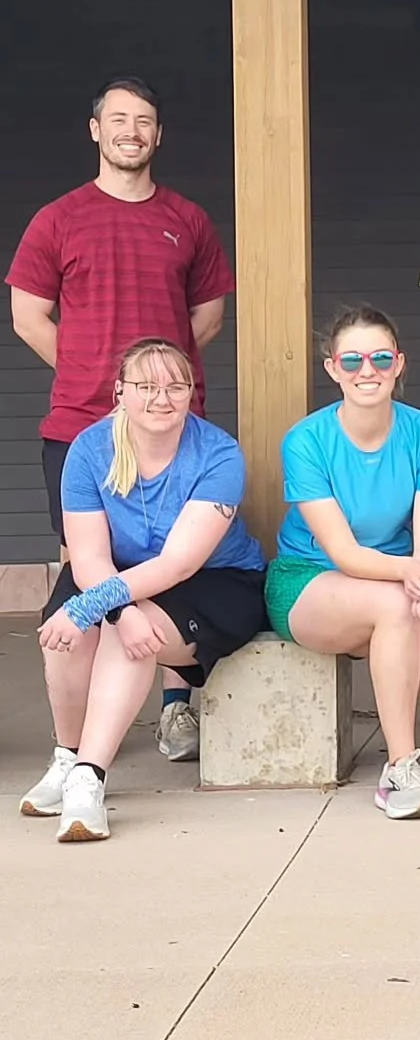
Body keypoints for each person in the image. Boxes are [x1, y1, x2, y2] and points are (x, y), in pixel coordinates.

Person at [7, 76, 235, 765]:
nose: (130, 131)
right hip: (79, 425)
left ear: (157, 135)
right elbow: (28, 316)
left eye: (143, 121)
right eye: (118, 119)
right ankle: (78, 736)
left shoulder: (187, 219)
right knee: (83, 562)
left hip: (172, 428)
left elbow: (207, 317)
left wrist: (153, 390)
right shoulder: (58, 219)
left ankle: (174, 707)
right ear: (95, 130)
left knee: (171, 560)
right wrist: (98, 381)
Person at [19, 339, 266, 842]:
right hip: (116, 571)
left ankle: (89, 777)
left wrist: (102, 609)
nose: (161, 398)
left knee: (130, 634)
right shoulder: (89, 449)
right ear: (120, 392)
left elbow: (179, 563)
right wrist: (117, 608)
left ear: (191, 393)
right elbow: (88, 557)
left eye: (175, 386)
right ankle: (67, 756)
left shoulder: (218, 453)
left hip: (214, 579)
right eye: (146, 386)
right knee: (67, 635)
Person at [264, 307, 420, 820]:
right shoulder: (306, 440)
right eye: (353, 360)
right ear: (332, 368)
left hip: (394, 579)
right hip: (310, 578)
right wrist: (411, 575)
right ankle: (399, 769)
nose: (368, 370)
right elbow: (343, 553)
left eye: (381, 358)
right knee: (401, 603)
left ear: (399, 364)